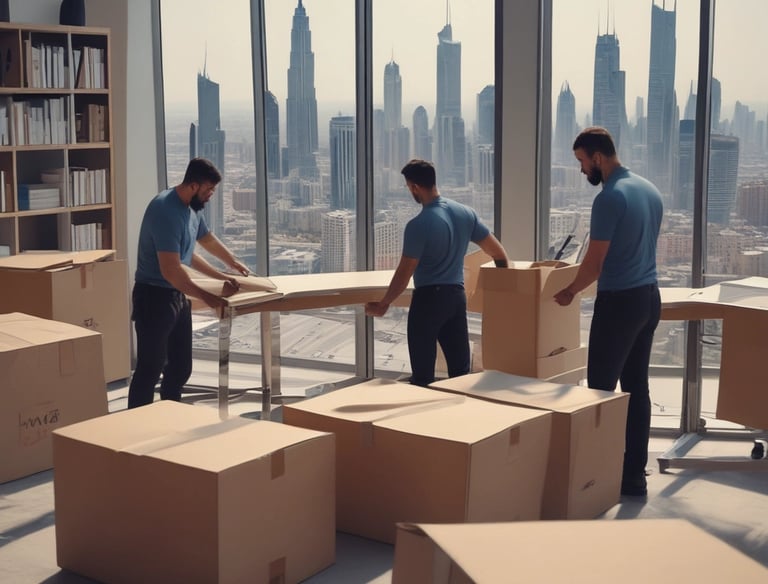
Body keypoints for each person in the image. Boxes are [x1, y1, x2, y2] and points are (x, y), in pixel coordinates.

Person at [554, 127, 663, 497]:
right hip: (648, 298)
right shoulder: (649, 189)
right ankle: (633, 476)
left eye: (582, 161)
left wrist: (569, 291)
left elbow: (594, 264)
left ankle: (594, 478)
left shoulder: (609, 198)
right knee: (637, 388)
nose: (582, 169)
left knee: (600, 390)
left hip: (619, 303)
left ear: (597, 157)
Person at [365, 159, 509, 387]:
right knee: (460, 374)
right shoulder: (466, 213)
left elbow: (404, 273)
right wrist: (503, 290)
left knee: (422, 376)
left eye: (408, 187)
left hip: (428, 302)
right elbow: (499, 254)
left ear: (414, 187)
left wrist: (384, 304)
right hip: (456, 298)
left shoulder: (418, 225)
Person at [128, 157, 250, 408]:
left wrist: (230, 266)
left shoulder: (191, 209)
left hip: (176, 295)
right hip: (153, 297)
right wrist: (209, 297)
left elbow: (201, 245)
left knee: (181, 367)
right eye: (208, 190)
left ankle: (171, 413)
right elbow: (172, 270)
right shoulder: (165, 211)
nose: (211, 195)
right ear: (194, 185)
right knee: (150, 369)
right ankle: (136, 421)